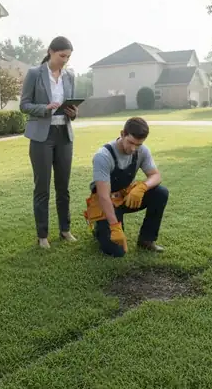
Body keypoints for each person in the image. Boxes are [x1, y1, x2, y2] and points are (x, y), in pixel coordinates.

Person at [20, 36, 79, 249]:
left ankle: (65, 230)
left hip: (64, 134)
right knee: (42, 187)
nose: (65, 60)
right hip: (41, 137)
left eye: (68, 57)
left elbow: (71, 107)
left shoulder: (70, 76)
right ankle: (42, 235)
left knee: (63, 187)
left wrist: (73, 113)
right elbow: (24, 105)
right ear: (51, 52)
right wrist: (44, 108)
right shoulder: (35, 74)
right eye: (62, 55)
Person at [83, 117, 169, 257]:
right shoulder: (103, 156)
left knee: (160, 193)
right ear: (122, 134)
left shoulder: (142, 151)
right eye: (130, 142)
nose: (133, 148)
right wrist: (115, 227)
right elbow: (103, 196)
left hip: (125, 198)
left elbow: (156, 176)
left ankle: (146, 240)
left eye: (138, 144)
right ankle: (100, 227)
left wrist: (142, 188)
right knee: (117, 251)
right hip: (106, 203)